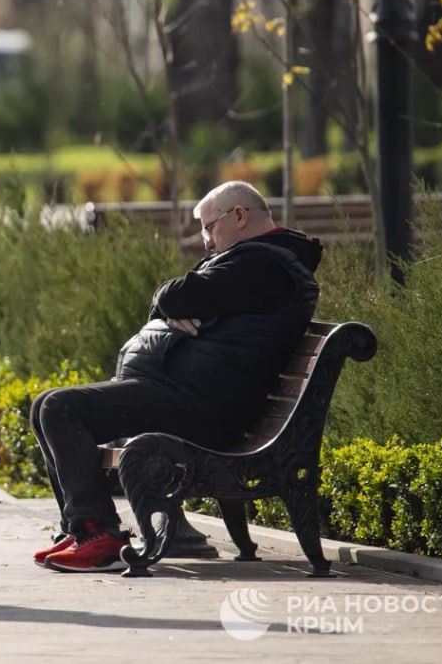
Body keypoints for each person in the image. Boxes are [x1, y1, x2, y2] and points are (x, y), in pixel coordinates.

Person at [29, 181, 322, 573]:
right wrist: (168, 305)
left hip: (203, 407)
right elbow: (179, 298)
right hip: (185, 396)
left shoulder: (264, 265)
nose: (205, 241)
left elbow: (178, 294)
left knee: (61, 408)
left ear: (239, 216)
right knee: (44, 405)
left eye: (208, 227)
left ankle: (99, 534)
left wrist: (167, 301)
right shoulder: (257, 260)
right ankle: (81, 528)